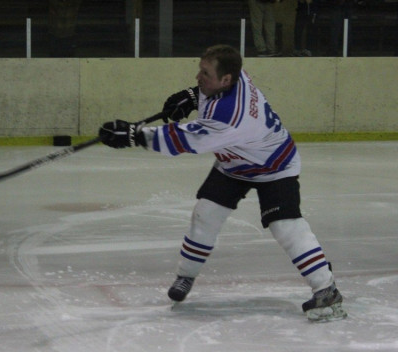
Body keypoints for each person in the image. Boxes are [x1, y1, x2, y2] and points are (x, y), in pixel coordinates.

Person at [97, 44, 347, 322]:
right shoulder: (237, 77)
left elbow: (183, 139)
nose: (198, 77)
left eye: (205, 73)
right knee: (205, 214)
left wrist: (134, 135)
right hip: (234, 164)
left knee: (285, 226)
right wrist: (193, 96)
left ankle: (326, 288)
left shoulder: (232, 118)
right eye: (200, 70)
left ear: (225, 79)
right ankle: (186, 276)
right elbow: (207, 98)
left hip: (274, 166)